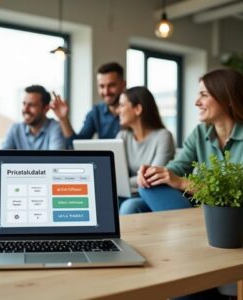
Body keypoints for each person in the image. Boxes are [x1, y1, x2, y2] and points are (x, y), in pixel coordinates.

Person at [127, 69, 243, 300]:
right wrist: (154, 172)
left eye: (203, 95)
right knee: (137, 199)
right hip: (203, 219)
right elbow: (176, 168)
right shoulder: (201, 133)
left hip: (232, 222)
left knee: (138, 200)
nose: (196, 102)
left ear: (227, 98)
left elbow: (233, 196)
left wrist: (181, 183)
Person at [116, 87, 175, 215]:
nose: (117, 111)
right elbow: (115, 175)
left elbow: (151, 177)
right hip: (125, 193)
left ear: (138, 109)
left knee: (129, 206)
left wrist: (122, 182)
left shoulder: (163, 136)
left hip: (150, 194)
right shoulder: (123, 136)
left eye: (121, 105)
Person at [50, 62, 125, 147]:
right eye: (102, 86)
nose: (106, 92)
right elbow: (77, 147)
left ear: (123, 84)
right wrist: (64, 119)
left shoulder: (135, 111)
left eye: (111, 85)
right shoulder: (96, 112)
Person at [2, 85, 66, 150]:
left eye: (31, 105)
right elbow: (1, 158)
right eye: (24, 104)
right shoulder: (15, 129)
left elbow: (55, 159)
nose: (25, 110)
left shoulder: (55, 128)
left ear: (46, 109)